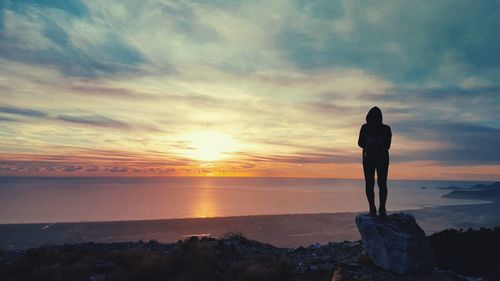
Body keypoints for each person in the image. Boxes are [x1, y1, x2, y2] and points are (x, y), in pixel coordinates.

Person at [358, 106, 392, 218]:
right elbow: (388, 145)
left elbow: (360, 143)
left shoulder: (365, 128)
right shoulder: (386, 129)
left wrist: (370, 145)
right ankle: (382, 209)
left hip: (368, 159)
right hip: (382, 159)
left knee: (369, 184)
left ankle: (372, 208)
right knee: (382, 184)